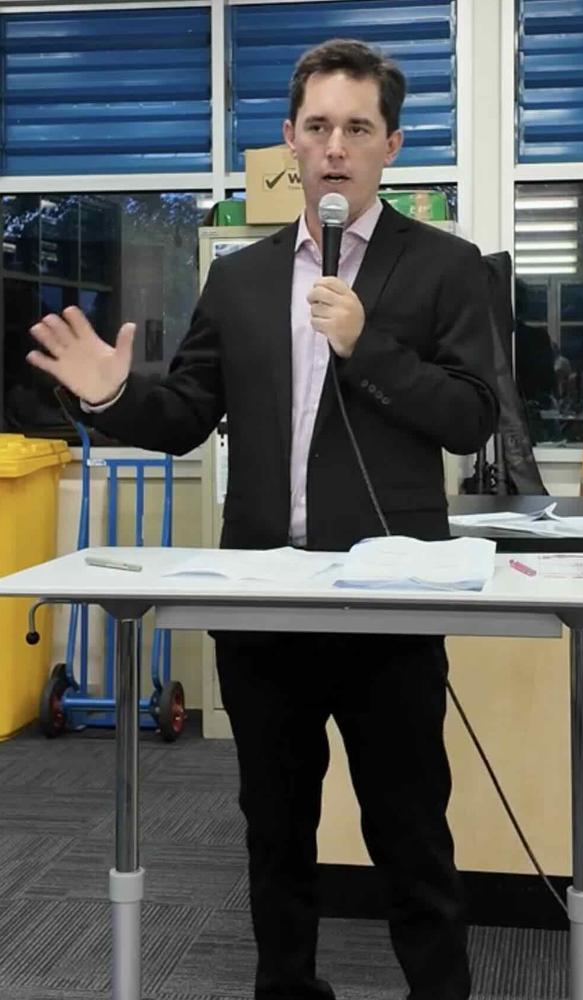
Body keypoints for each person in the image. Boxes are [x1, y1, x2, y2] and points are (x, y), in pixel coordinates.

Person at [27, 39, 498, 1000]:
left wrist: (366, 347)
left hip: (387, 607)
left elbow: (472, 417)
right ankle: (286, 990)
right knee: (274, 830)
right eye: (317, 127)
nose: (334, 148)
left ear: (390, 146)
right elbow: (185, 414)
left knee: (410, 835)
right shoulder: (240, 279)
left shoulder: (445, 267)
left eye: (357, 129)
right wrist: (114, 398)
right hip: (262, 600)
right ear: (290, 141)